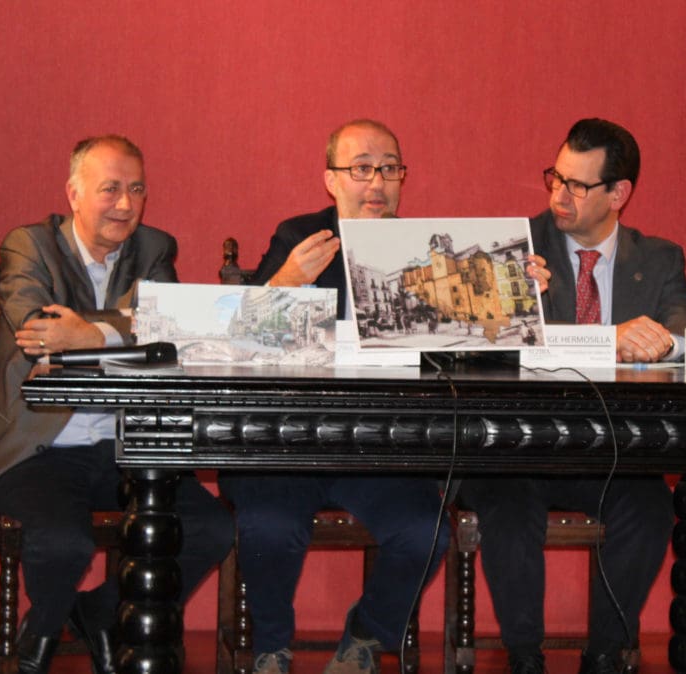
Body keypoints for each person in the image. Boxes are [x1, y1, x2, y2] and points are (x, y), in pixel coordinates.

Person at [0, 135, 234, 674]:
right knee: (65, 543)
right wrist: (122, 329)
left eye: (137, 190)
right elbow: (38, 329)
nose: (126, 204)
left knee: (212, 529)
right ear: (74, 194)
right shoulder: (29, 245)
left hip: (125, 446)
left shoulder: (154, 249)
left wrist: (90, 335)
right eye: (110, 189)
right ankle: (42, 632)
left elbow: (168, 330)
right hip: (38, 447)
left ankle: (98, 613)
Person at [460, 118, 686, 674]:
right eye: (556, 177)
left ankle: (605, 655)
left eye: (577, 185)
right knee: (507, 506)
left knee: (650, 508)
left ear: (619, 194)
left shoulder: (659, 258)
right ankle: (525, 657)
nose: (558, 196)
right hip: (519, 446)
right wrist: (554, 321)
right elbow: (482, 344)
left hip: (611, 447)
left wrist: (662, 344)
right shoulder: (517, 247)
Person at [220, 119, 449, 674]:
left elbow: (458, 353)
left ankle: (366, 636)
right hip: (289, 440)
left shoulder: (424, 253)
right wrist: (287, 280)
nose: (377, 182)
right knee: (269, 526)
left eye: (390, 169)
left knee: (427, 531)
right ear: (331, 180)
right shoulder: (299, 237)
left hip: (380, 443)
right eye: (361, 169)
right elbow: (235, 338)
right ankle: (271, 648)